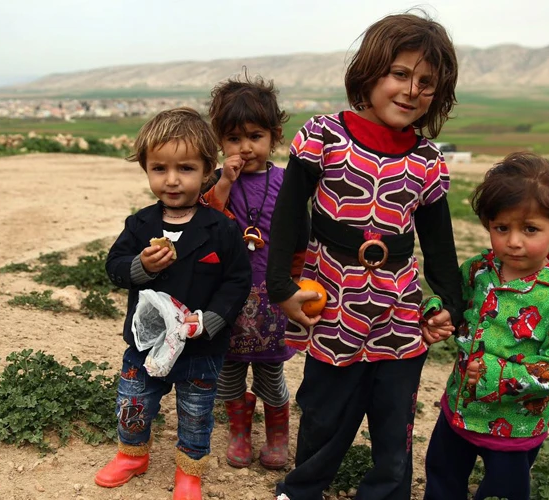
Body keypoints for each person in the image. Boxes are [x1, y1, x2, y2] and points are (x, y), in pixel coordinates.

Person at [266, 12, 464, 500]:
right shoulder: (323, 136)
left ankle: (387, 493)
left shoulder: (427, 161)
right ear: (370, 72)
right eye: (400, 74)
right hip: (331, 301)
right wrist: (281, 288)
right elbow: (288, 217)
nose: (412, 90)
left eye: (427, 82)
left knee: (395, 414)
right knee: (325, 408)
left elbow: (439, 244)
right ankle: (304, 487)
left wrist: (451, 306)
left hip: (398, 308)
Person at [96, 107, 252, 500]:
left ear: (207, 171)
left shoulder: (221, 229)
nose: (171, 180)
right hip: (145, 345)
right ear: (146, 169)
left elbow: (238, 280)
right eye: (159, 168)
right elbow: (113, 267)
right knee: (133, 402)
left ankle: (189, 472)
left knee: (197, 413)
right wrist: (139, 267)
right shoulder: (140, 225)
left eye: (185, 168)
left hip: (201, 348)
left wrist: (209, 320)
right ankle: (132, 455)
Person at [422, 152, 549, 500]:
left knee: (504, 493)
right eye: (502, 228)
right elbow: (454, 298)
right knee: (441, 475)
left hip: (514, 426)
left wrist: (498, 376)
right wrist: (438, 311)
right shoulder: (479, 269)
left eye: (530, 229)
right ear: (488, 224)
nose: (513, 241)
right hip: (460, 409)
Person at [201, 73, 300, 470]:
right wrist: (224, 180)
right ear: (220, 142)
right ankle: (240, 433)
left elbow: (299, 238)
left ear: (274, 136)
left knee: (270, 375)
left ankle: (277, 436)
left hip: (273, 298)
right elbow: (206, 221)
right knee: (229, 373)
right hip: (227, 298)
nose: (245, 148)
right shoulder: (218, 182)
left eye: (255, 136)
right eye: (234, 139)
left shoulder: (285, 182)